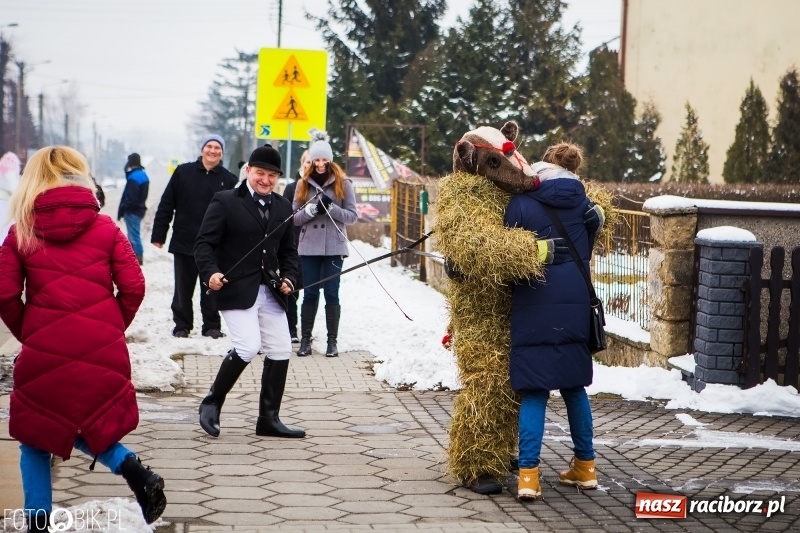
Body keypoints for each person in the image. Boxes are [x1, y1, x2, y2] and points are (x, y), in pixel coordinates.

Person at [0, 146, 167, 530]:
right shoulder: (106, 227)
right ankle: (132, 468)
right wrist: (108, 329)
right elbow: (134, 286)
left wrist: (29, 332)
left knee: (37, 435)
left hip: (43, 350)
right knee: (86, 421)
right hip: (101, 348)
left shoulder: (21, 229)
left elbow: (5, 294)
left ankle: (38, 522)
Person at [503, 142, 604, 500]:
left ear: (541, 165)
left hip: (534, 301)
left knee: (534, 389)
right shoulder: (585, 203)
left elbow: (506, 254)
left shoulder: (521, 202)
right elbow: (589, 244)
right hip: (576, 299)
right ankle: (586, 468)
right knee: (575, 387)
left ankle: (528, 475)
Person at [195, 144, 304, 439]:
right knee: (248, 347)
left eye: (271, 175)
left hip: (270, 290)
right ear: (248, 171)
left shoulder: (283, 207)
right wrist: (211, 273)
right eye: (260, 173)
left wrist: (290, 278)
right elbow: (204, 244)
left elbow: (289, 252)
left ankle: (269, 419)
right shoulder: (226, 200)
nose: (265, 180)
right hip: (235, 288)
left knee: (281, 349)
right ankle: (212, 402)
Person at [151, 134, 238, 339]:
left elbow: (235, 215)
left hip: (215, 245)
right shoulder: (183, 173)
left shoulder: (229, 180)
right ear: (202, 149)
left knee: (212, 286)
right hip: (184, 240)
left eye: (218, 148)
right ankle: (182, 325)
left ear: (222, 153)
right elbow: (166, 204)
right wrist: (159, 234)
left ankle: (211, 326)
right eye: (209, 146)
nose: (213, 151)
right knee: (183, 288)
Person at [292, 133, 358, 358]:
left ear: (330, 160)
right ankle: (305, 341)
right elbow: (293, 217)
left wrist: (331, 209)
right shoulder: (302, 184)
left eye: (324, 161)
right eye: (315, 161)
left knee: (332, 293)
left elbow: (352, 217)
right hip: (309, 246)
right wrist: (311, 210)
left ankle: (332, 342)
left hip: (334, 247)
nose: (320, 165)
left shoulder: (344, 183)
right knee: (309, 293)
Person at [282, 149, 311, 343]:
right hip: (295, 245)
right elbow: (286, 217)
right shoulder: (293, 188)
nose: (310, 165)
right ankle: (290, 329)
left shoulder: (323, 189)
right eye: (307, 162)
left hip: (314, 248)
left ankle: (307, 332)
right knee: (291, 289)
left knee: (309, 291)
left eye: (314, 162)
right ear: (302, 164)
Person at [118, 153, 149, 265]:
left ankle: (137, 258)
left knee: (133, 236)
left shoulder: (134, 177)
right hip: (139, 209)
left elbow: (131, 197)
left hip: (132, 211)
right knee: (134, 234)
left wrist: (126, 208)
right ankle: (135, 257)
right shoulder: (142, 174)